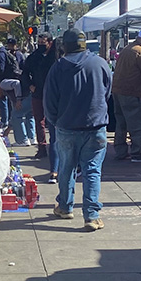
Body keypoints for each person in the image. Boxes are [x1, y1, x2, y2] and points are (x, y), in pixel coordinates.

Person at [44, 28, 112, 231]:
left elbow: (50, 101)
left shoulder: (58, 68)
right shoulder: (100, 63)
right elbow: (107, 91)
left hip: (66, 127)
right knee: (92, 170)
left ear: (64, 46)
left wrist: (56, 121)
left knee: (66, 168)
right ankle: (91, 215)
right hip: (95, 126)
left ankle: (65, 207)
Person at [111, 30, 141, 161]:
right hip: (133, 92)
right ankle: (138, 152)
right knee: (138, 123)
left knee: (121, 123)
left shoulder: (127, 49)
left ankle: (120, 151)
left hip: (118, 91)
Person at [23, 33, 55, 159]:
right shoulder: (34, 57)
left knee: (53, 122)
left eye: (44, 43)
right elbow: (24, 73)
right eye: (39, 43)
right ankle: (42, 147)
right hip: (38, 92)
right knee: (39, 120)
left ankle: (55, 146)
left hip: (53, 93)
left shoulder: (56, 56)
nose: (41, 45)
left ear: (50, 43)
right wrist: (30, 85)